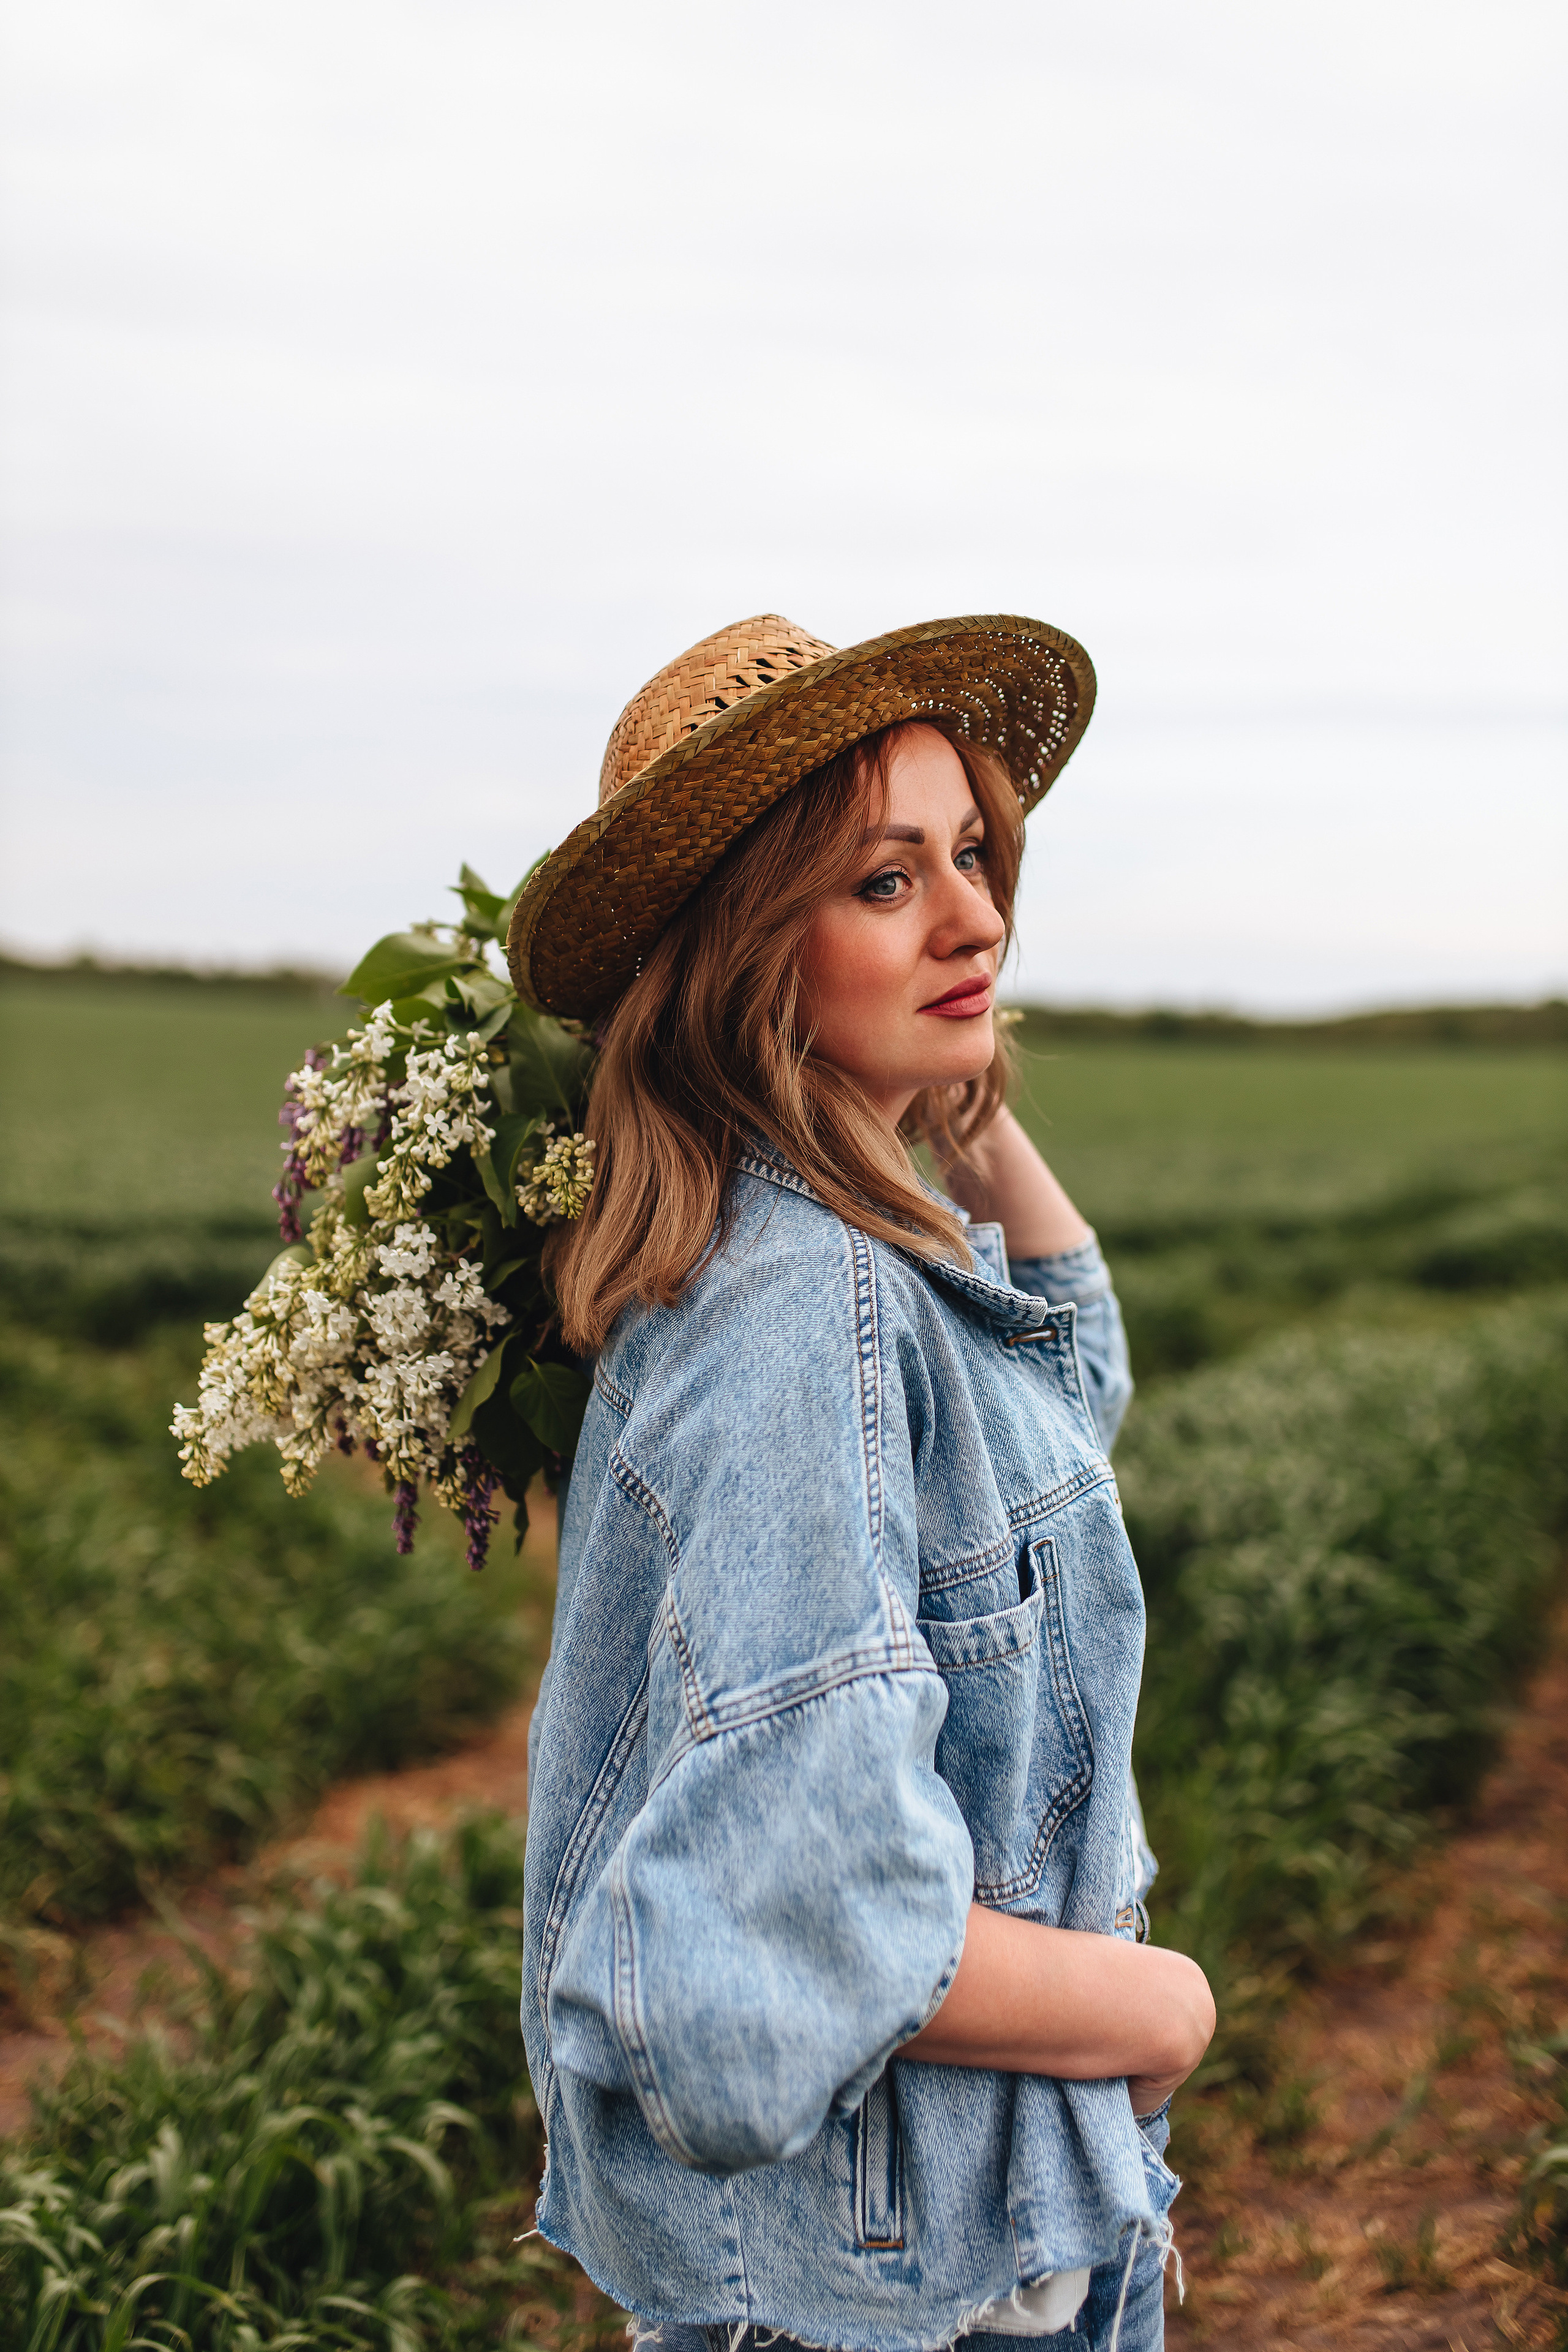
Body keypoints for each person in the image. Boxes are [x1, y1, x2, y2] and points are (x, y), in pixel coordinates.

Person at [507, 615, 1216, 2352]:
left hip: (958, 2247)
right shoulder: (802, 1318)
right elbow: (798, 1926)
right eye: (887, 883)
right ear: (751, 949)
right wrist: (1160, 2006)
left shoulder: (836, 1260)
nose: (979, 916)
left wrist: (958, 1096)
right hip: (907, 2303)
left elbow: (1058, 1405)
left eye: (974, 855)